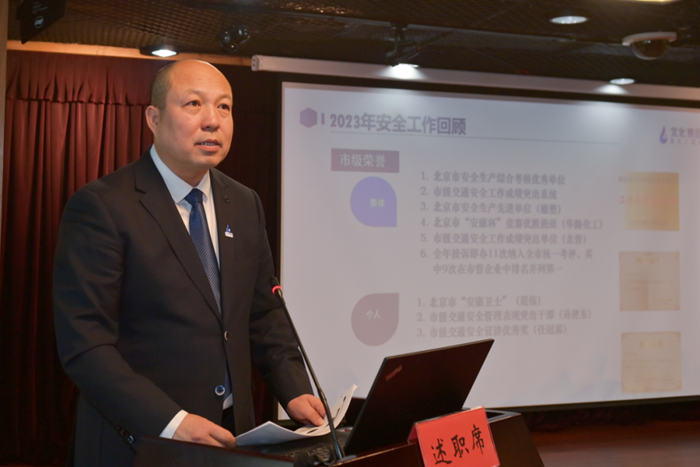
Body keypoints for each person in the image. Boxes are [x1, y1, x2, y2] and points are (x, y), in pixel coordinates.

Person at [53, 60, 325, 467]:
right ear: (154, 118)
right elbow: (86, 346)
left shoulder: (244, 203)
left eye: (224, 107)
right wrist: (172, 422)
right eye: (194, 104)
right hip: (141, 442)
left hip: (233, 437)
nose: (212, 121)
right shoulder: (103, 206)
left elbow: (264, 312)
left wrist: (295, 388)